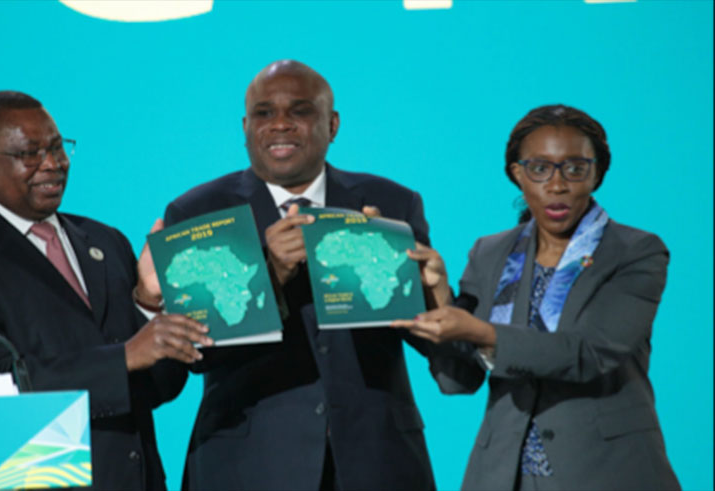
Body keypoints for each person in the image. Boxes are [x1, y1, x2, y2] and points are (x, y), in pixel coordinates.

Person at [135, 60, 474, 490]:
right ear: (245, 127)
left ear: (332, 125)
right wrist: (269, 273)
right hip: (247, 468)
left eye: (300, 111)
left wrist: (435, 297)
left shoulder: (392, 202)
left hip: (377, 466)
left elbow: (455, 372)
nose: (280, 124)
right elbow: (196, 357)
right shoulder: (198, 212)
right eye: (264, 113)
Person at [0, 91, 213, 490]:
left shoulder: (105, 240)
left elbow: (157, 388)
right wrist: (124, 357)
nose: (53, 163)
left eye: (57, 147)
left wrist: (148, 304)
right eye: (30, 153)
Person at [393, 104, 680, 490]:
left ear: (596, 173)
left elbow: (587, 353)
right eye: (540, 168)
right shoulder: (489, 253)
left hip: (605, 472)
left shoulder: (635, 252)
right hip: (502, 475)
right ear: (518, 174)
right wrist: (438, 296)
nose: (557, 184)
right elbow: (458, 380)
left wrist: (482, 332)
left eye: (575, 168)